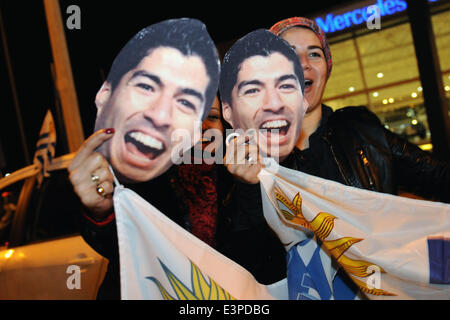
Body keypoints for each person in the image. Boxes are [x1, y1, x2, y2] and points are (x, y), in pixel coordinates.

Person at [67, 18, 221, 299]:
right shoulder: (145, 172)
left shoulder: (235, 179)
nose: (200, 127)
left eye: (211, 116)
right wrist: (100, 211)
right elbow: (123, 243)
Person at [267, 17, 450, 203]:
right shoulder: (257, 153)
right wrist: (247, 186)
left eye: (314, 54)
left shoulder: (361, 130)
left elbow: (440, 178)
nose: (304, 63)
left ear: (326, 69)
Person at [216, 29, 309, 284]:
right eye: (253, 90)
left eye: (286, 85)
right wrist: (248, 190)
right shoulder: (213, 181)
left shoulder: (325, 157)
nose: (274, 103)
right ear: (228, 111)